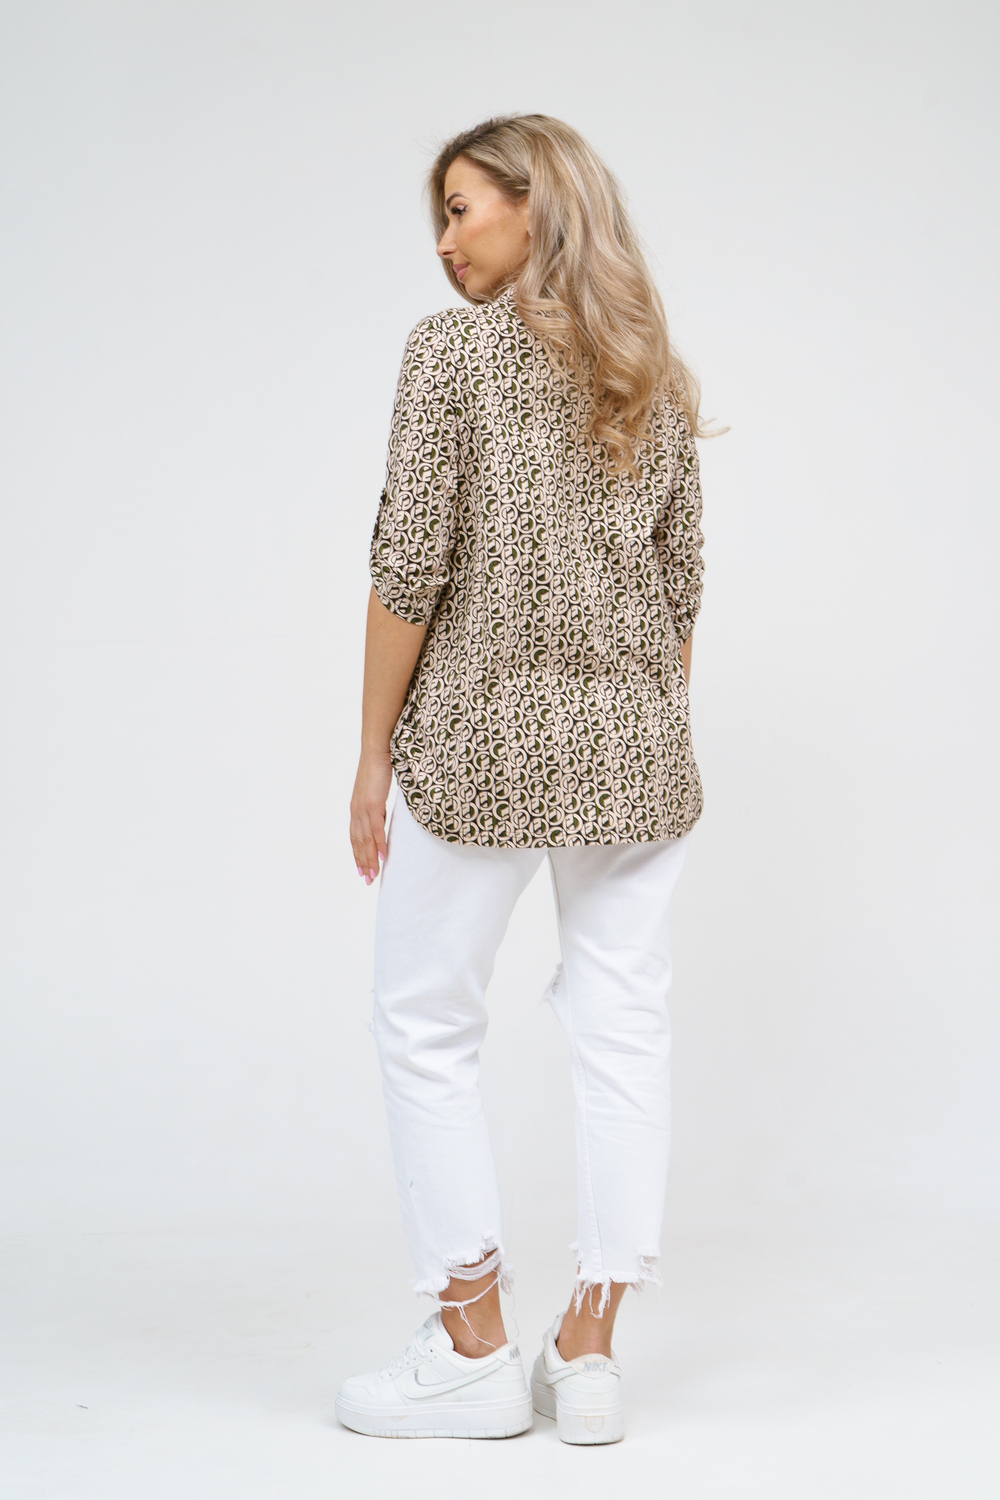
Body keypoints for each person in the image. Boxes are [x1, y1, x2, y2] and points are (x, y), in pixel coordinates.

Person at [336, 114, 707, 1446]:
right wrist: (635, 724)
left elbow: (410, 566)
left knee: (424, 1019)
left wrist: (372, 751)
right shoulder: (650, 371)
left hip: (478, 748)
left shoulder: (452, 356)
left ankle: (471, 1344)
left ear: (536, 203)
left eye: (461, 209)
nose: (444, 243)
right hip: (638, 753)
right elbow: (679, 588)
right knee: (623, 1027)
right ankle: (589, 1355)